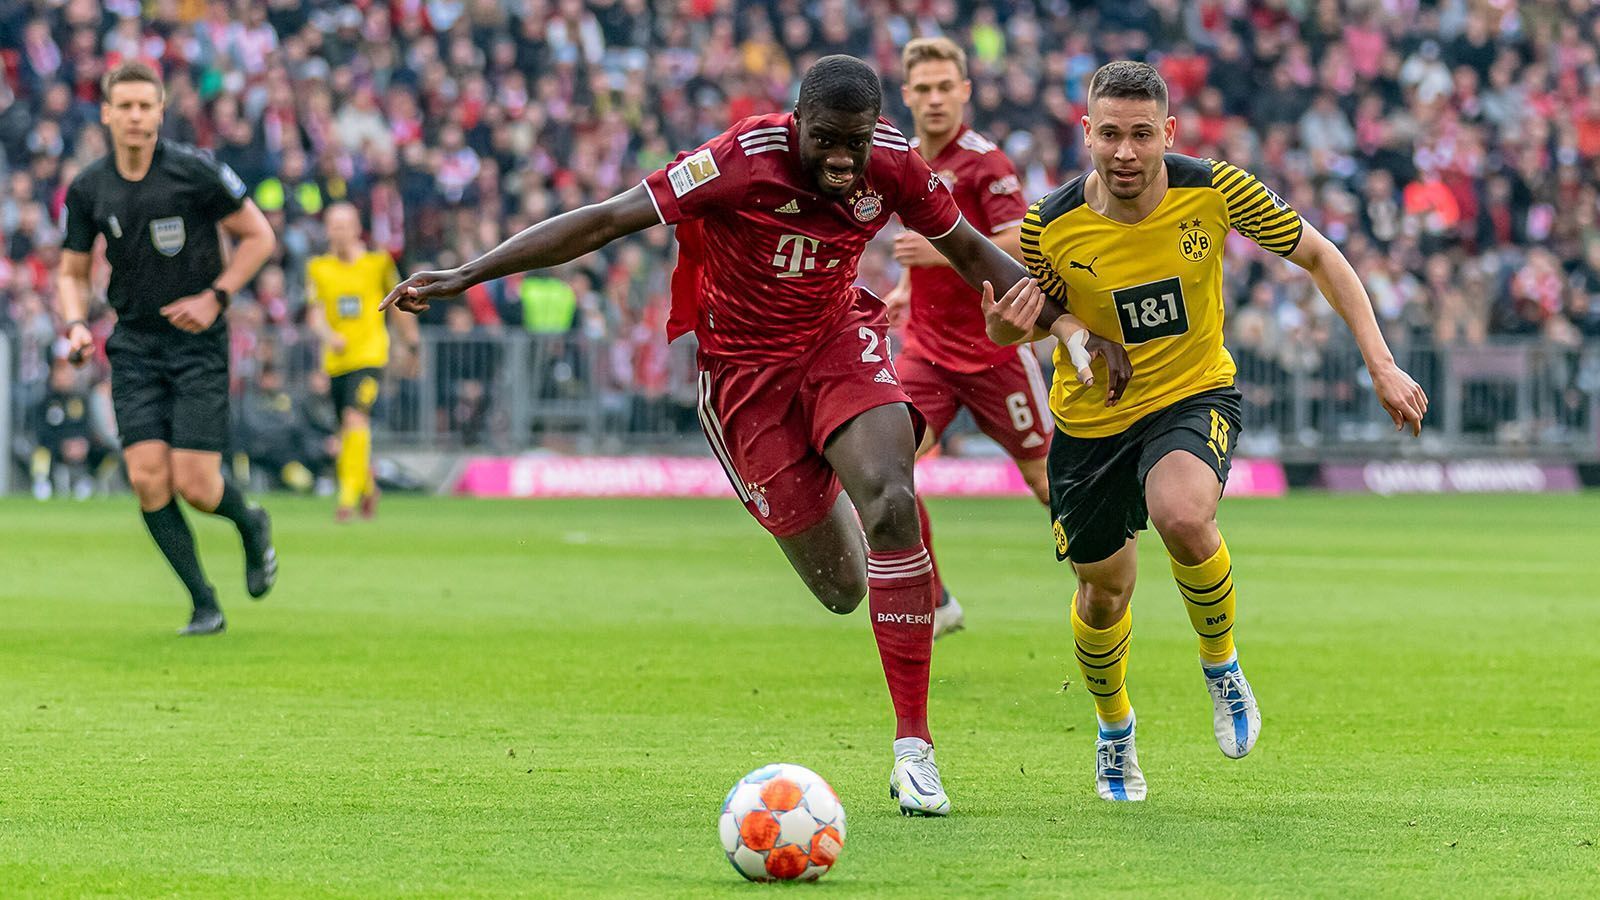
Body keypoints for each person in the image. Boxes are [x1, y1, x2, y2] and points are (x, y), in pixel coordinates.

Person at [383, 55, 1128, 817]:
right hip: (744, 378)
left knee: (895, 504)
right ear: (796, 122)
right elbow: (606, 219)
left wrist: (1071, 328)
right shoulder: (738, 160)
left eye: (857, 142)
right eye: (827, 140)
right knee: (844, 588)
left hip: (839, 340)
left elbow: (974, 252)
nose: (843, 159)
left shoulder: (895, 164)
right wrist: (463, 276)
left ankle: (915, 753)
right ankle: (836, 479)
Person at [1019, 62, 1428, 801]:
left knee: (1183, 514)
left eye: (1142, 134)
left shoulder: (1216, 190)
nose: (1125, 152)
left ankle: (1223, 666)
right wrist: (1050, 324)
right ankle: (1115, 731)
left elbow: (1320, 255)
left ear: (1168, 133)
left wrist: (1381, 363)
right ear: (1085, 134)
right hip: (1089, 424)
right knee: (1104, 593)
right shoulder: (1047, 225)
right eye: (1109, 134)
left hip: (1192, 392)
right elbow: (1006, 320)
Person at [57, 61, 280, 636]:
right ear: (106, 114)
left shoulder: (195, 172)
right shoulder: (88, 188)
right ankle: (203, 603)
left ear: (161, 111)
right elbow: (72, 271)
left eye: (144, 106)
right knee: (148, 479)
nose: (134, 117)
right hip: (133, 343)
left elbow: (260, 237)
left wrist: (217, 296)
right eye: (123, 106)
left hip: (198, 343)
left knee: (199, 487)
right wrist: (76, 325)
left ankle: (251, 524)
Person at [882, 38, 1050, 640]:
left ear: (964, 91)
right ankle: (935, 600)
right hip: (926, 350)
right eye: (921, 88)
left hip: (995, 349)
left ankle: (1102, 567)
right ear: (906, 96)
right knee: (884, 468)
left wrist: (932, 254)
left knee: (1043, 480)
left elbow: (1019, 241)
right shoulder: (904, 161)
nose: (933, 99)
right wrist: (907, 284)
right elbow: (918, 246)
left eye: (943, 87)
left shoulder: (987, 163)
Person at [305, 202, 419, 521]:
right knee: (348, 431)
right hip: (336, 361)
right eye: (333, 226)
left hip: (370, 356)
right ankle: (368, 487)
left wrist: (411, 344)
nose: (338, 232)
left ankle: (346, 498)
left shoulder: (378, 263)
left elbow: (398, 305)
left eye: (344, 226)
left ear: (357, 229)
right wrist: (329, 337)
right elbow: (314, 315)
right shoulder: (318, 268)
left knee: (356, 419)